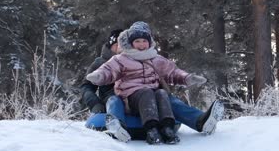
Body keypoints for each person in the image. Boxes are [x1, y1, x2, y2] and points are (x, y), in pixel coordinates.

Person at [81, 27, 224, 142]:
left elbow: (169, 71)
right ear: (112, 45)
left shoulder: (145, 57)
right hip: (116, 97)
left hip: (146, 96)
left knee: (168, 98)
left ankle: (200, 120)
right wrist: (95, 104)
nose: (121, 47)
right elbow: (87, 86)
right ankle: (116, 126)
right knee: (114, 100)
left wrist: (186, 79)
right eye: (117, 44)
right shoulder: (102, 62)